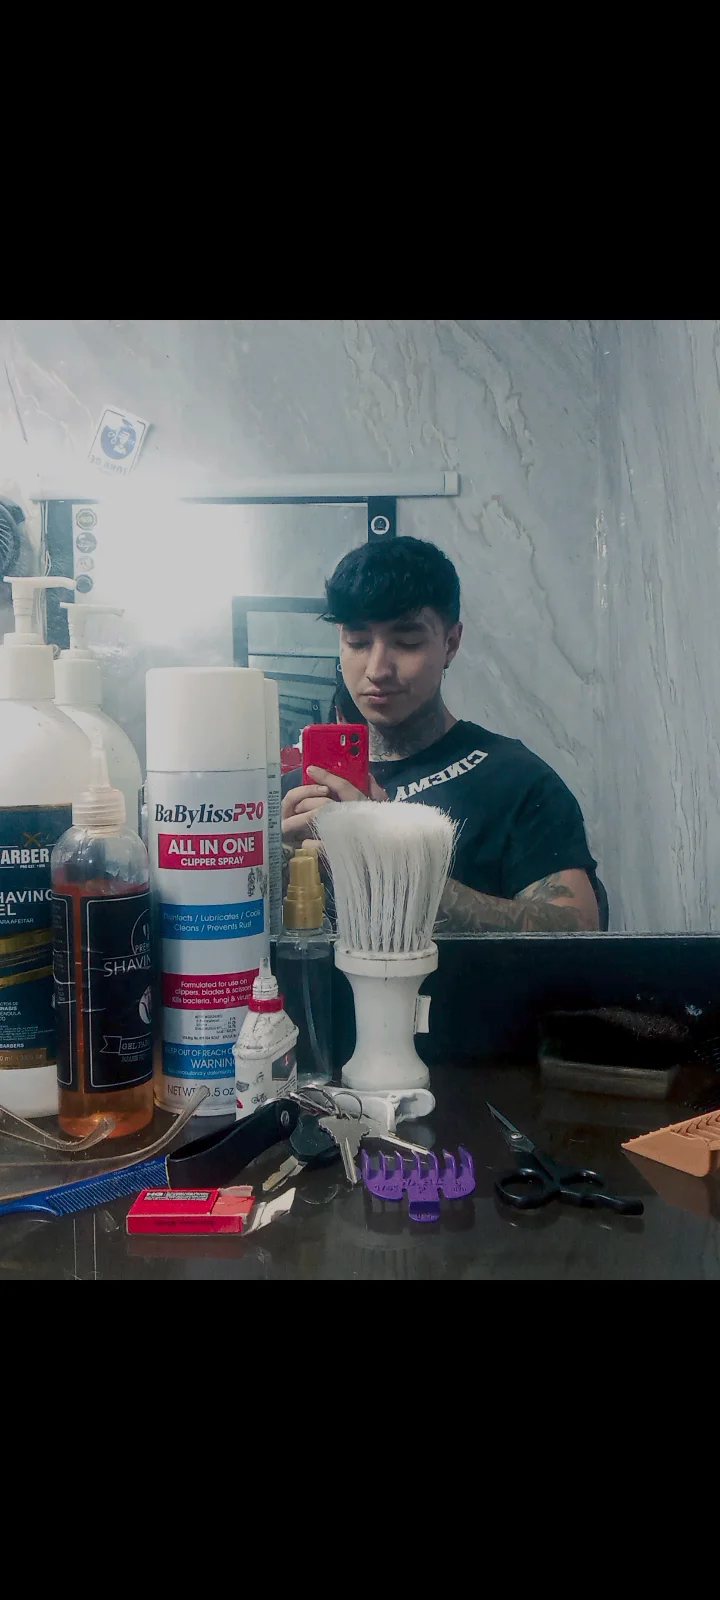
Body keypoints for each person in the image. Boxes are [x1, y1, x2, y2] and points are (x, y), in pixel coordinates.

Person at [281, 537, 600, 932]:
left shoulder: (516, 781)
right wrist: (277, 867)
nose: (377, 669)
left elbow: (578, 927)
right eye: (358, 642)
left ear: (451, 643)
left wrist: (392, 868)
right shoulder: (295, 794)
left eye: (407, 642)